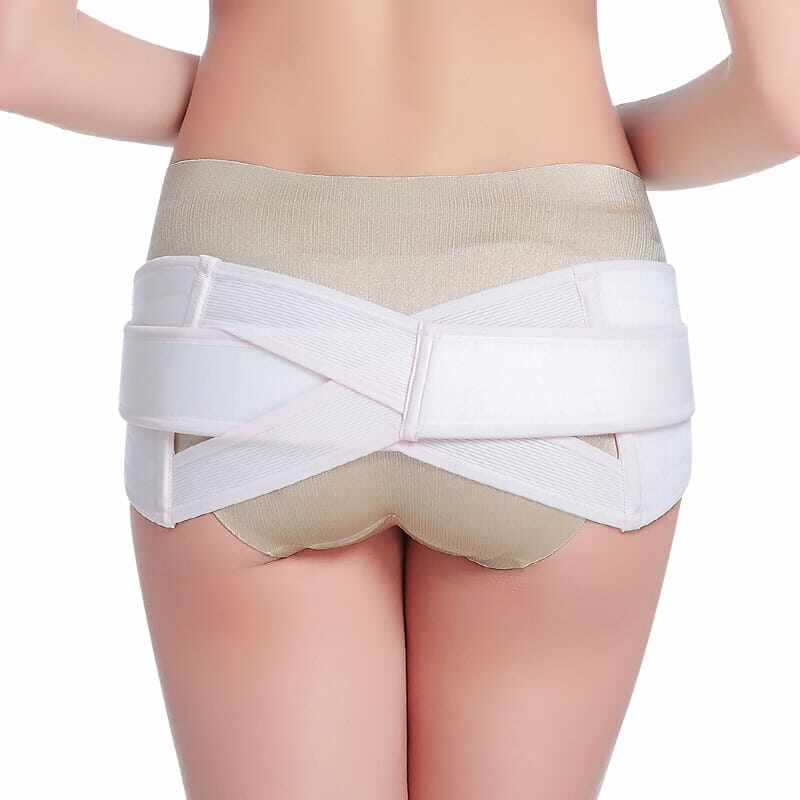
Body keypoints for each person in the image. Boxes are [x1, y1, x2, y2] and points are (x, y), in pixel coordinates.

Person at [1, 3, 797, 798]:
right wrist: (609, 148)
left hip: (250, 313)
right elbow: (783, 96)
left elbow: (17, 45)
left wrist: (221, 91)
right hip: (559, 317)